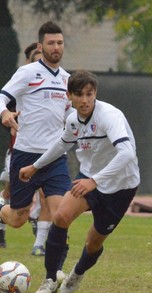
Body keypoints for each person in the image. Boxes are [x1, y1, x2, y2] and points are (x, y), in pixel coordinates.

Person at [19, 70, 140, 293]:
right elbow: (61, 144)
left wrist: (95, 181)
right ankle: (50, 279)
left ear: (95, 94)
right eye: (79, 95)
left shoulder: (109, 116)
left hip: (121, 185)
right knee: (61, 217)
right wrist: (35, 166)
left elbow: (127, 153)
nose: (84, 100)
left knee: (93, 243)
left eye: (89, 94)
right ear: (69, 96)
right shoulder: (73, 120)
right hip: (88, 178)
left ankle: (77, 273)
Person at [0, 21, 73, 278]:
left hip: (54, 157)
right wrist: (5, 113)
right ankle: (1, 209)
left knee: (61, 213)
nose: (56, 47)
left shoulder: (67, 80)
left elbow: (71, 113)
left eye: (60, 43)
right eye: (51, 43)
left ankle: (55, 272)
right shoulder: (27, 72)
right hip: (25, 154)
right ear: (41, 46)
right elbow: (1, 96)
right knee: (19, 218)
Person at [0, 42, 41, 248]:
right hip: (18, 152)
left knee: (49, 197)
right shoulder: (22, 83)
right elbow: (5, 110)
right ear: (28, 61)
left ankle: (42, 243)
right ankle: (1, 224)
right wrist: (9, 119)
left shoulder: (54, 83)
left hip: (45, 154)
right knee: (9, 194)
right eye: (35, 55)